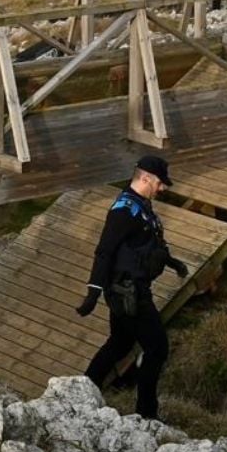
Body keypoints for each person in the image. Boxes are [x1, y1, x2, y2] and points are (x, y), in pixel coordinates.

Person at [76, 155, 187, 420]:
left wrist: (172, 263)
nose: (163, 188)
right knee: (157, 348)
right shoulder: (124, 211)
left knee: (120, 342)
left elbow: (148, 244)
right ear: (145, 178)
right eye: (160, 183)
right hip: (128, 293)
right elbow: (104, 251)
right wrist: (93, 292)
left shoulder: (141, 205)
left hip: (130, 289)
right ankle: (147, 413)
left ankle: (82, 390)